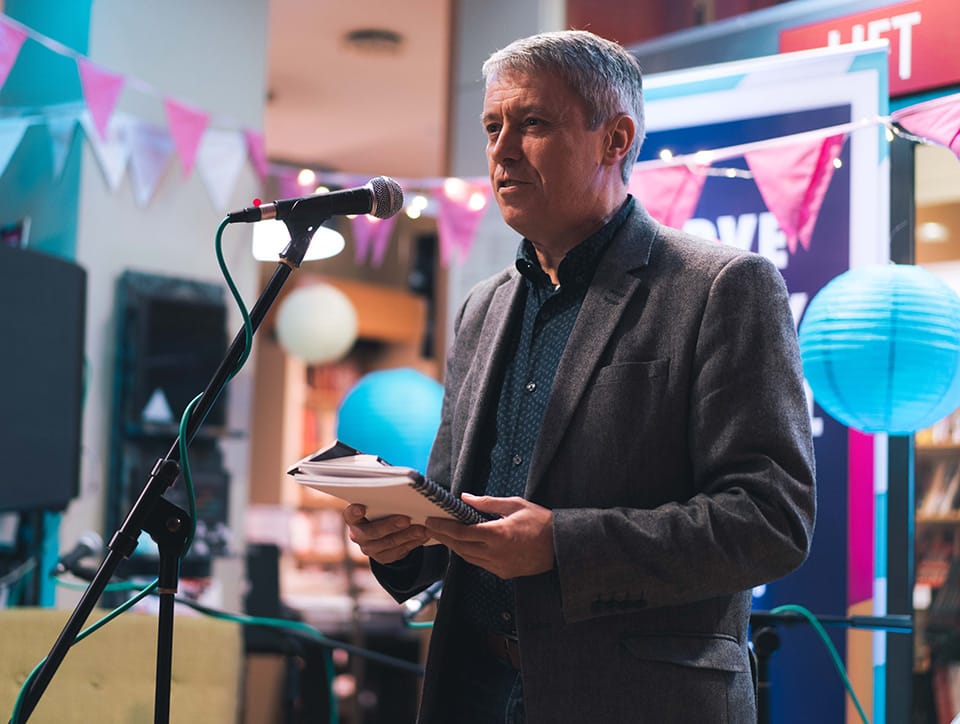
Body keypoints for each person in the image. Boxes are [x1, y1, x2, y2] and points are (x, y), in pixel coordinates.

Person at [343, 29, 816, 724]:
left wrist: (562, 547)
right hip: (474, 690)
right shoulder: (483, 307)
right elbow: (456, 501)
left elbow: (771, 520)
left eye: (532, 123)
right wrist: (403, 539)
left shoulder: (722, 287)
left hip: (641, 701)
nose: (501, 150)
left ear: (615, 138)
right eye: (492, 126)